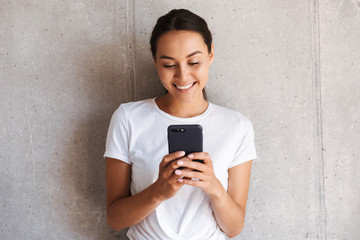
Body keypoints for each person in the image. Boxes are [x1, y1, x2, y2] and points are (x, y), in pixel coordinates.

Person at [104, 8, 257, 240]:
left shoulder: (237, 126)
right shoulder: (128, 118)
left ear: (211, 54)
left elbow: (234, 228)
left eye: (194, 61)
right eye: (169, 65)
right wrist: (159, 191)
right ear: (155, 61)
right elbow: (115, 219)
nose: (183, 76)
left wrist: (213, 186)